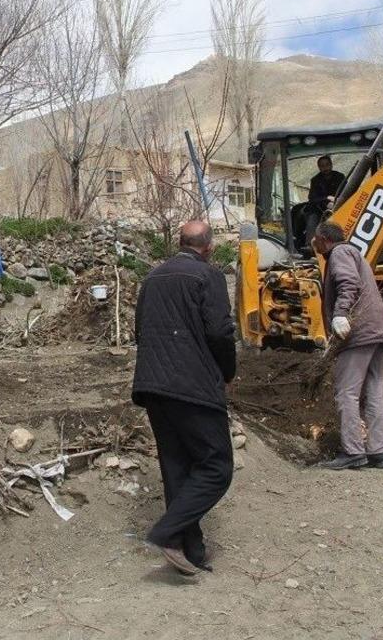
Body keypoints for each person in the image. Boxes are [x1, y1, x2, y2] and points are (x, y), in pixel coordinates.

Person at [131, 220, 237, 575]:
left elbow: (138, 331)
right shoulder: (208, 276)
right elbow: (221, 332)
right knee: (217, 467)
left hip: (152, 385)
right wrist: (226, 373)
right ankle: (165, 532)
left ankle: (191, 551)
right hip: (193, 387)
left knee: (177, 468)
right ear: (208, 247)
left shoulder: (152, 278)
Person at [311, 221, 383, 471]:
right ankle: (380, 452)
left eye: (315, 239)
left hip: (359, 334)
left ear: (324, 239)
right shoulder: (354, 252)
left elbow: (348, 283)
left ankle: (353, 451)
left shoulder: (339, 253)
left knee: (346, 392)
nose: (313, 244)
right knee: (373, 392)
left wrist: (340, 315)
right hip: (377, 332)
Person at [302, 155, 346, 248]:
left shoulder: (340, 177)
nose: (325, 168)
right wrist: (327, 199)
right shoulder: (315, 180)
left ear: (331, 165)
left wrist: (338, 200)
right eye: (322, 166)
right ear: (319, 167)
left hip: (339, 206)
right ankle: (310, 245)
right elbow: (312, 198)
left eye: (327, 165)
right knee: (312, 217)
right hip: (320, 208)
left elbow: (348, 192)